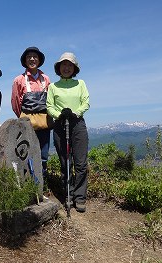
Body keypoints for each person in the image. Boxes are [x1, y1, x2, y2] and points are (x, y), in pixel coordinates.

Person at [46, 52, 90, 213]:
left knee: (80, 163)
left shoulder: (81, 84)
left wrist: (75, 113)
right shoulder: (53, 87)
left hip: (77, 124)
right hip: (59, 125)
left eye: (69, 65)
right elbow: (49, 106)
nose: (66, 67)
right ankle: (68, 195)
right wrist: (59, 115)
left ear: (74, 68)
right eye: (63, 65)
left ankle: (80, 197)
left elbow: (86, 102)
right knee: (65, 163)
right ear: (59, 67)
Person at [11, 46, 51, 178]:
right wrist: (23, 118)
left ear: (39, 60)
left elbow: (50, 101)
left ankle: (40, 183)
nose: (32, 59)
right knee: (27, 153)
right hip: (26, 124)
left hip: (44, 123)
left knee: (43, 154)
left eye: (35, 57)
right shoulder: (19, 80)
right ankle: (29, 184)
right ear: (25, 60)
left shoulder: (46, 79)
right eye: (29, 57)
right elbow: (16, 103)